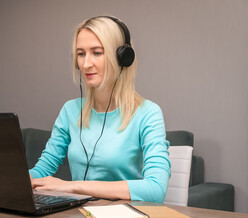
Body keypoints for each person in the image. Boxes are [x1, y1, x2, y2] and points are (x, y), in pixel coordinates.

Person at [29, 16, 171, 203]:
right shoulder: (70, 111)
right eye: (81, 54)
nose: (86, 64)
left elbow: (155, 190)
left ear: (122, 58)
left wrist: (73, 186)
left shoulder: (148, 113)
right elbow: (41, 171)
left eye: (96, 52)